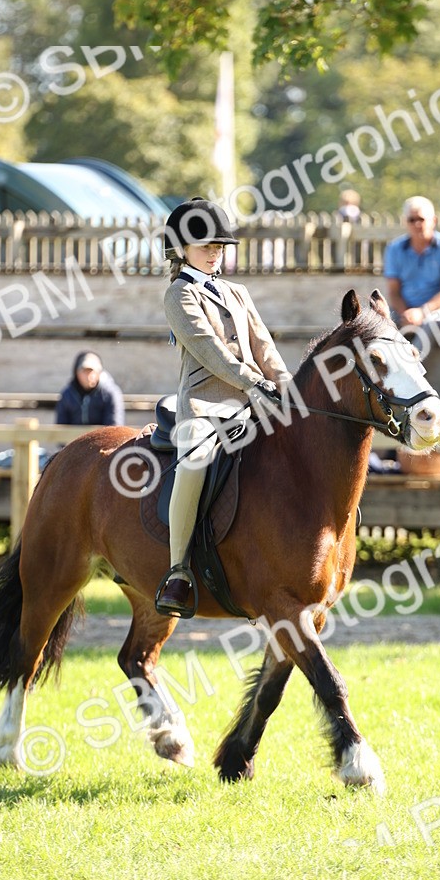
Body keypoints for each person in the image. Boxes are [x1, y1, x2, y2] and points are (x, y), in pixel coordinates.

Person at [156, 197, 293, 617]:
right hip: (205, 405)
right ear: (181, 249)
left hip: (257, 401)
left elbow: (263, 345)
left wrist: (287, 385)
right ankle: (178, 569)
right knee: (195, 461)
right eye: (205, 245)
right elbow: (210, 352)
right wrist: (255, 384)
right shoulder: (178, 295)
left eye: (219, 246)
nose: (215, 252)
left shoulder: (237, 291)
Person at [55, 351, 125, 427]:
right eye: (85, 372)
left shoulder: (111, 394)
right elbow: (61, 427)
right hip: (73, 438)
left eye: (92, 372)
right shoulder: (67, 395)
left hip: (102, 438)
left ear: (99, 373)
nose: (89, 376)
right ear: (77, 373)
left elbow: (114, 427)